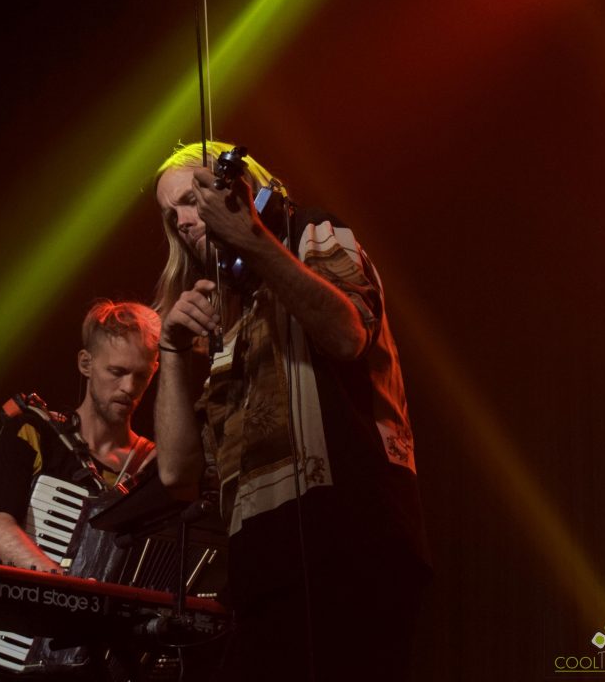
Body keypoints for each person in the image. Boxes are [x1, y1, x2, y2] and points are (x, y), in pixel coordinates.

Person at [152, 141, 431, 681]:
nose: (186, 221)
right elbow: (176, 474)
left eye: (192, 199)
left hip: (352, 543)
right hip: (261, 565)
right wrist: (170, 347)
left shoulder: (311, 231)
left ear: (237, 188)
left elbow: (348, 334)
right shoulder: (222, 305)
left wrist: (253, 241)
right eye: (173, 214)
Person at [0, 299, 161, 682]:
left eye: (141, 376)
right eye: (116, 372)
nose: (129, 388)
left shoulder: (153, 466)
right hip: (8, 656)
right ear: (86, 364)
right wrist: (63, 587)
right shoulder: (35, 432)